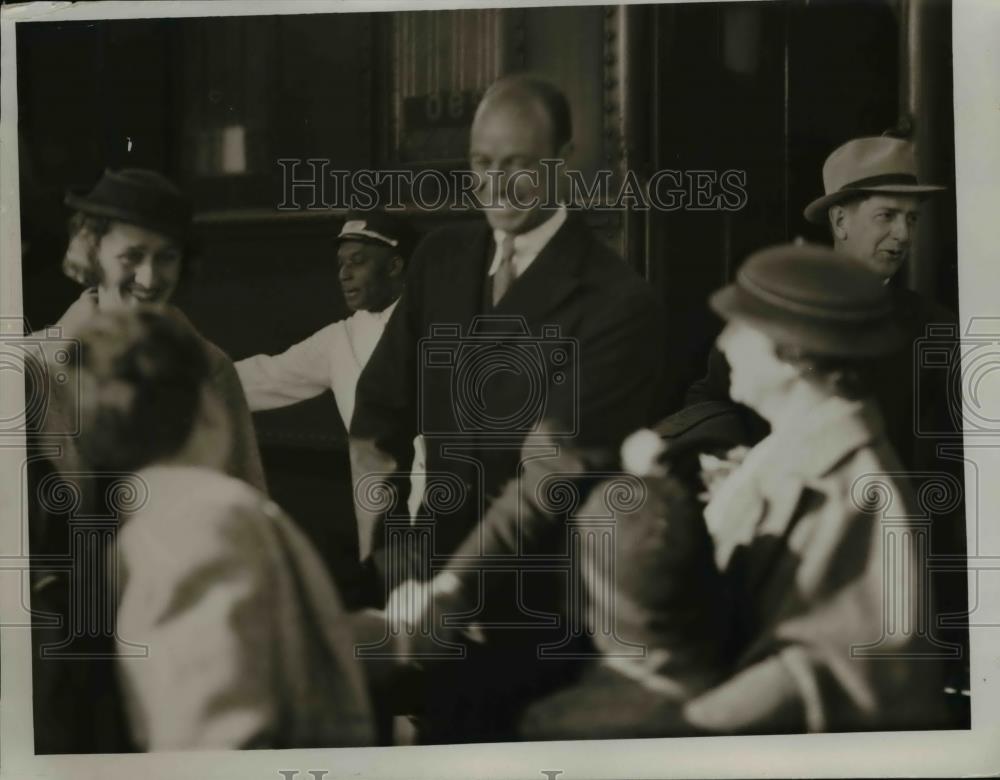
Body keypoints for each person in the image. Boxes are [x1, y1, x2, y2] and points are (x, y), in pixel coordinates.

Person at [350, 74, 666, 740]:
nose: (495, 185)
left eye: (517, 165)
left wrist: (449, 589)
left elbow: (551, 472)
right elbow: (378, 418)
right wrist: (392, 551)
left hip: (545, 625)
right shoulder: (441, 260)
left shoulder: (618, 301)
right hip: (428, 603)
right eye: (481, 164)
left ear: (564, 159)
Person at [68, 306, 375, 750]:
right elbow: (220, 734)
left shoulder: (140, 520)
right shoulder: (204, 520)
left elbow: (257, 647)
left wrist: (396, 633)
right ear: (207, 406)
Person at [680, 243, 945, 733]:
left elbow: (843, 670)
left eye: (741, 328)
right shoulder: (788, 452)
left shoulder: (860, 490)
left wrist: (672, 730)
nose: (723, 342)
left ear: (793, 356)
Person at [41, 167, 266, 492]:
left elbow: (244, 495)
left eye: (166, 257)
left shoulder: (211, 368)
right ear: (92, 252)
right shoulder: (35, 367)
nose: (148, 278)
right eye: (131, 256)